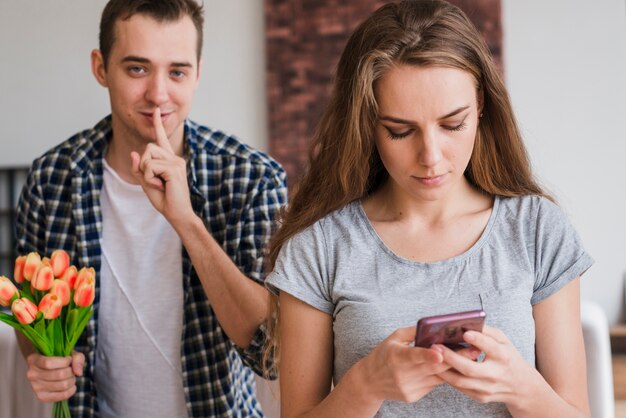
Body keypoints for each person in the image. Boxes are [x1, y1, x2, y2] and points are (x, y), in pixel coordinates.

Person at [264, 1, 593, 417]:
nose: (431, 157)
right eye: (400, 131)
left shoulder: (537, 229)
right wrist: (365, 387)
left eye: (453, 124)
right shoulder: (319, 247)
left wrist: (520, 386)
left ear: (481, 109)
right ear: (367, 125)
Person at [14, 0, 287, 417]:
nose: (158, 94)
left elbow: (266, 347)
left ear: (197, 73)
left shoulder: (252, 178)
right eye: (137, 68)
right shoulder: (51, 178)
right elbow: (31, 314)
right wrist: (43, 360)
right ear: (101, 68)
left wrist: (185, 220)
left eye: (177, 71)